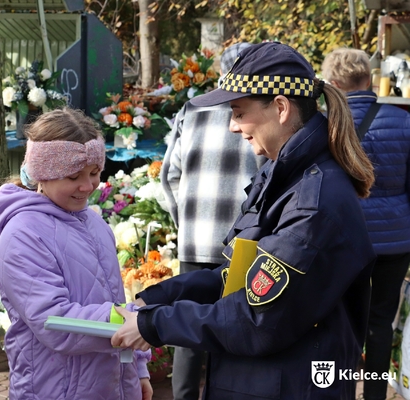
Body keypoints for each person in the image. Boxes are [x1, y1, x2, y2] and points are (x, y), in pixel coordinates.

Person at [111, 42, 377, 399]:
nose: (233, 127)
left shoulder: (313, 203)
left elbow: (257, 318)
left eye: (238, 111)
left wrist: (153, 325)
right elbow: (240, 277)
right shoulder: (283, 177)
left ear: (281, 108)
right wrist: (158, 297)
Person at [0, 107, 152, 400]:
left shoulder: (93, 221)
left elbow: (113, 297)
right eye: (73, 177)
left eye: (94, 173)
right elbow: (55, 321)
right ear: (42, 174)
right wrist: (134, 322)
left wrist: (138, 369)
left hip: (111, 384)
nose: (87, 186)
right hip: (56, 389)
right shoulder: (23, 235)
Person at [161, 41, 265, 400]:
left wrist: (185, 220)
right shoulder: (261, 110)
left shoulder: (193, 108)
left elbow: (169, 175)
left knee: (186, 331)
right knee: (233, 324)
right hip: (244, 243)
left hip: (195, 235)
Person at [321, 48, 410, 400]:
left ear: (335, 82)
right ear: (367, 78)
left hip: (344, 238)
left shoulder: (326, 123)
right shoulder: (403, 122)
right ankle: (374, 394)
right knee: (380, 321)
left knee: (341, 316)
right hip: (396, 241)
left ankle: (338, 390)